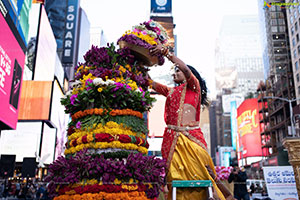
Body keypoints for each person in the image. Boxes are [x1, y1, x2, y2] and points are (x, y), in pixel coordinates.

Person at [148, 44, 225, 200]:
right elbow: (151, 83)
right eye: (175, 70)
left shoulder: (194, 87)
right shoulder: (171, 91)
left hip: (192, 141)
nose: (175, 72)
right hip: (172, 142)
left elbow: (186, 69)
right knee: (176, 179)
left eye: (178, 70)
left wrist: (166, 53)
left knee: (200, 177)